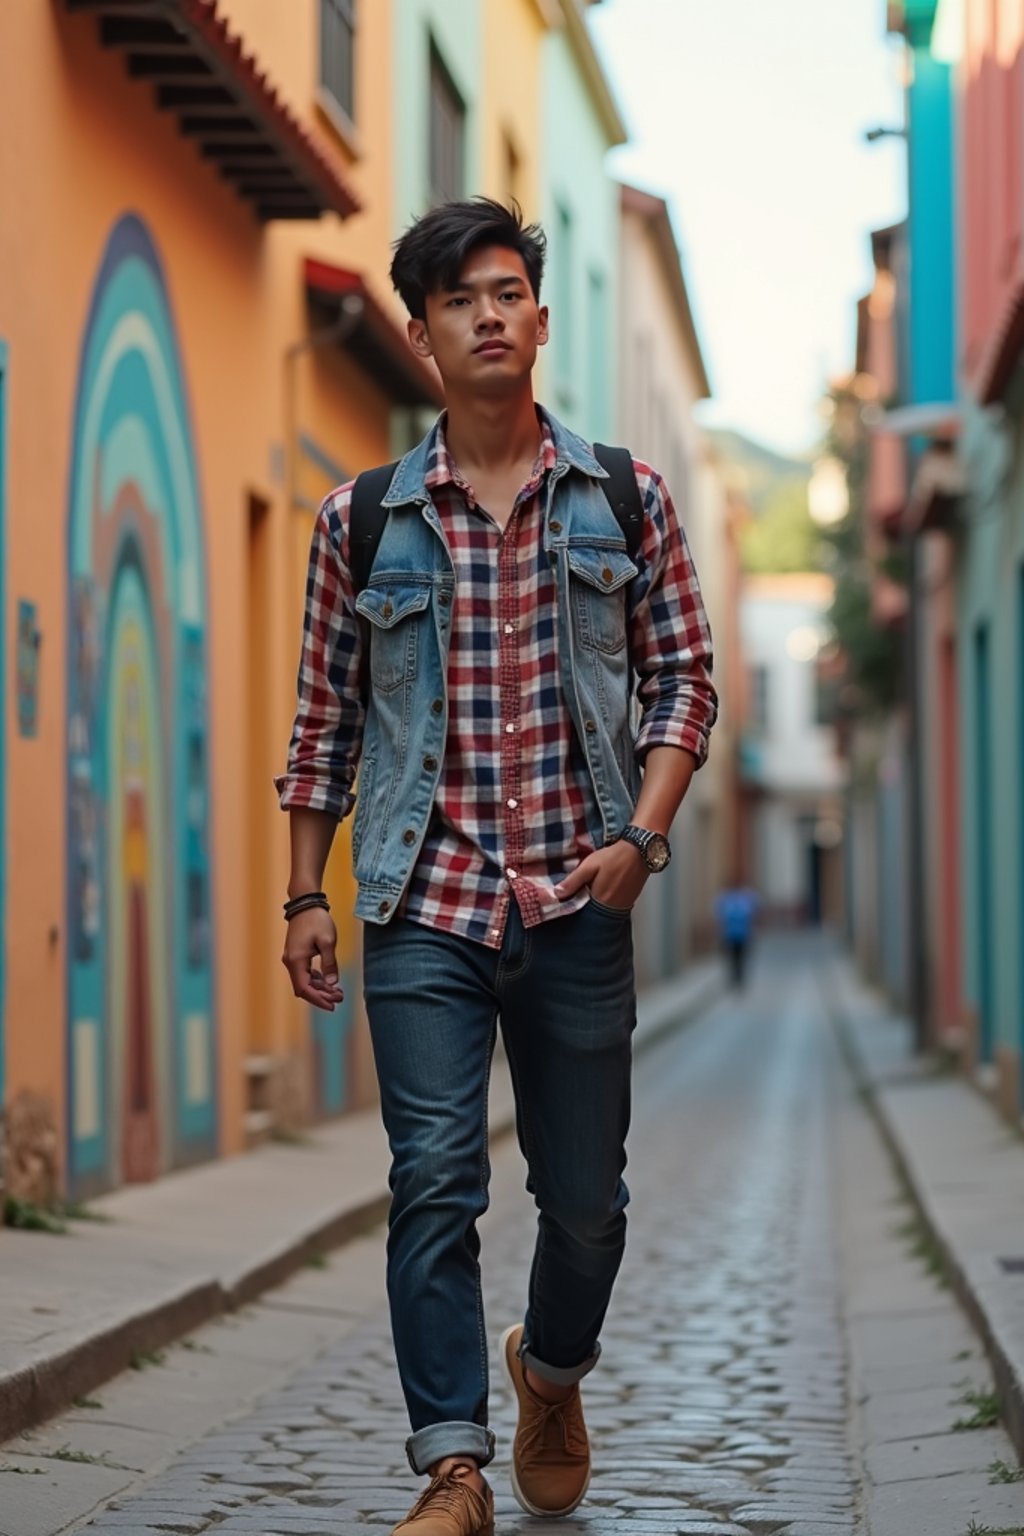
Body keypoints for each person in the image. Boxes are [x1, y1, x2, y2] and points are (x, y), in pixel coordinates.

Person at [276, 197, 717, 1536]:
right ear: (421, 336)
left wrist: (642, 834)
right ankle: (453, 1468)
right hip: (424, 904)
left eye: (509, 289)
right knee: (433, 1176)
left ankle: (551, 1372)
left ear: (538, 317)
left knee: (586, 1206)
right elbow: (323, 723)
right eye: (460, 297)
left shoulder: (626, 498)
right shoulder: (363, 523)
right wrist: (306, 890)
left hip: (581, 899)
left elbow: (685, 680)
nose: (489, 312)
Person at [715, 884, 759, 988]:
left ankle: (737, 978)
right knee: (736, 958)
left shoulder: (729, 900)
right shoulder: (743, 900)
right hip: (736, 935)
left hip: (737, 935)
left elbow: (720, 917)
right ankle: (737, 978)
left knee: (737, 958)